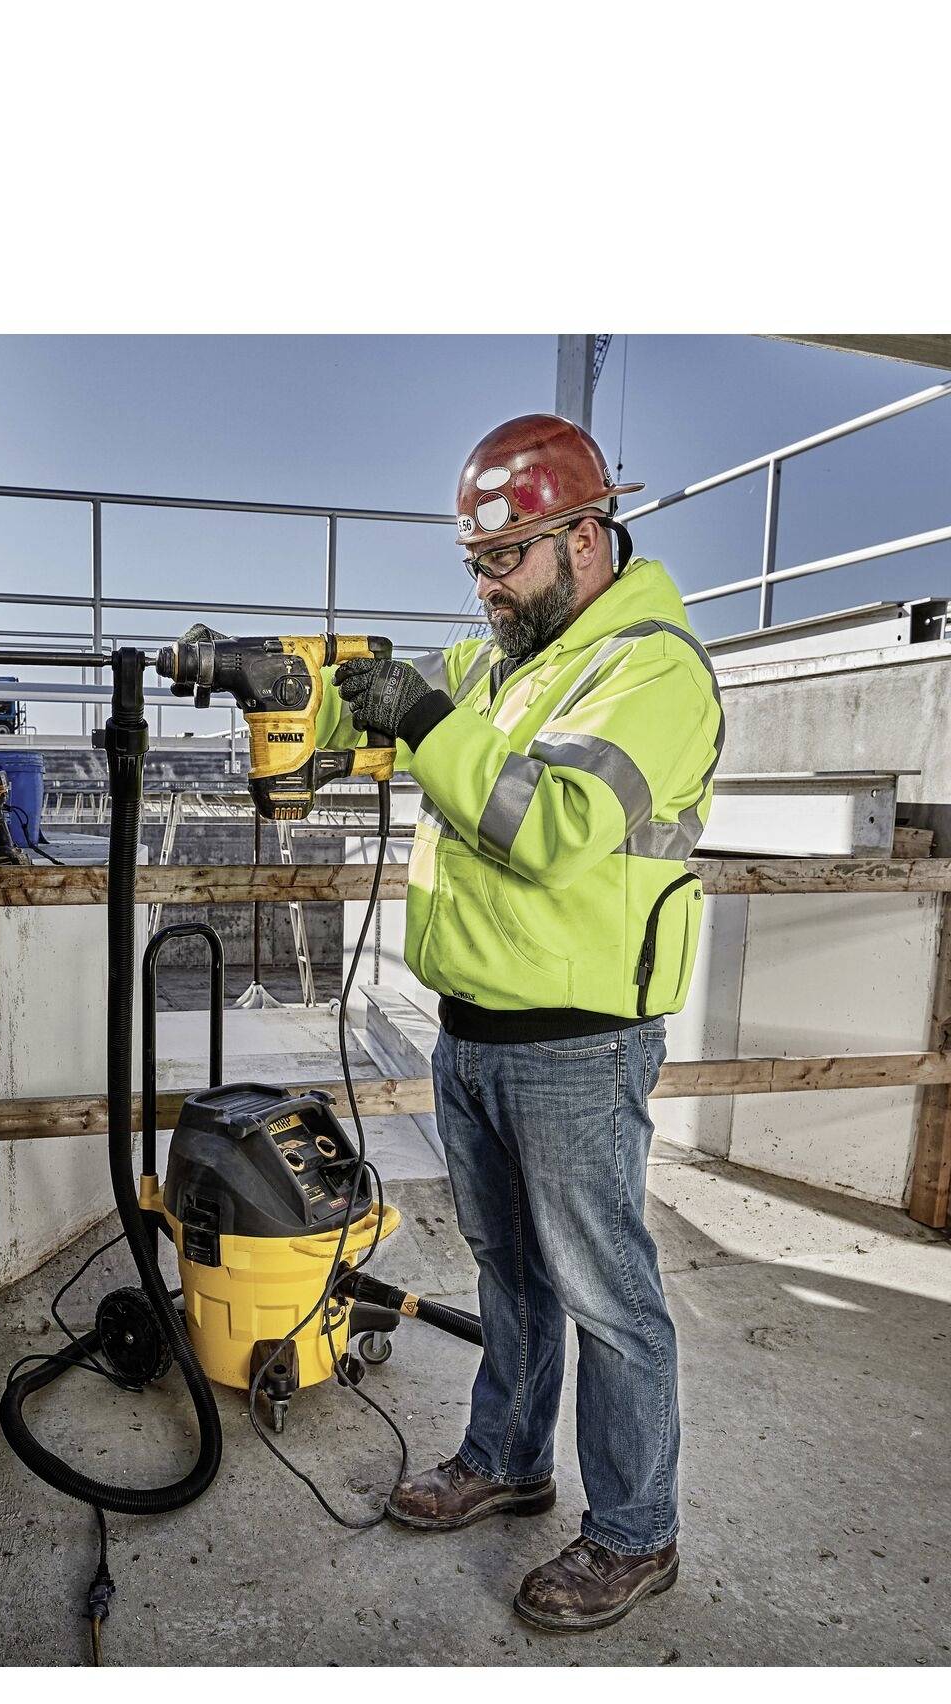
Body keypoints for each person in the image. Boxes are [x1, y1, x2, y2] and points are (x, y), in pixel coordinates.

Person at [324, 413, 725, 1632]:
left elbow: (549, 828)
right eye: (476, 568)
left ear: (586, 537)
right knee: (508, 1273)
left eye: (507, 560)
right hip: (475, 1033)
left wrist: (425, 719)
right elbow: (371, 712)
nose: (488, 589)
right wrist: (286, 681)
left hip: (577, 1042)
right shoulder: (502, 661)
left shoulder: (650, 670)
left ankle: (633, 1532)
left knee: (604, 1295)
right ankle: (506, 1458)